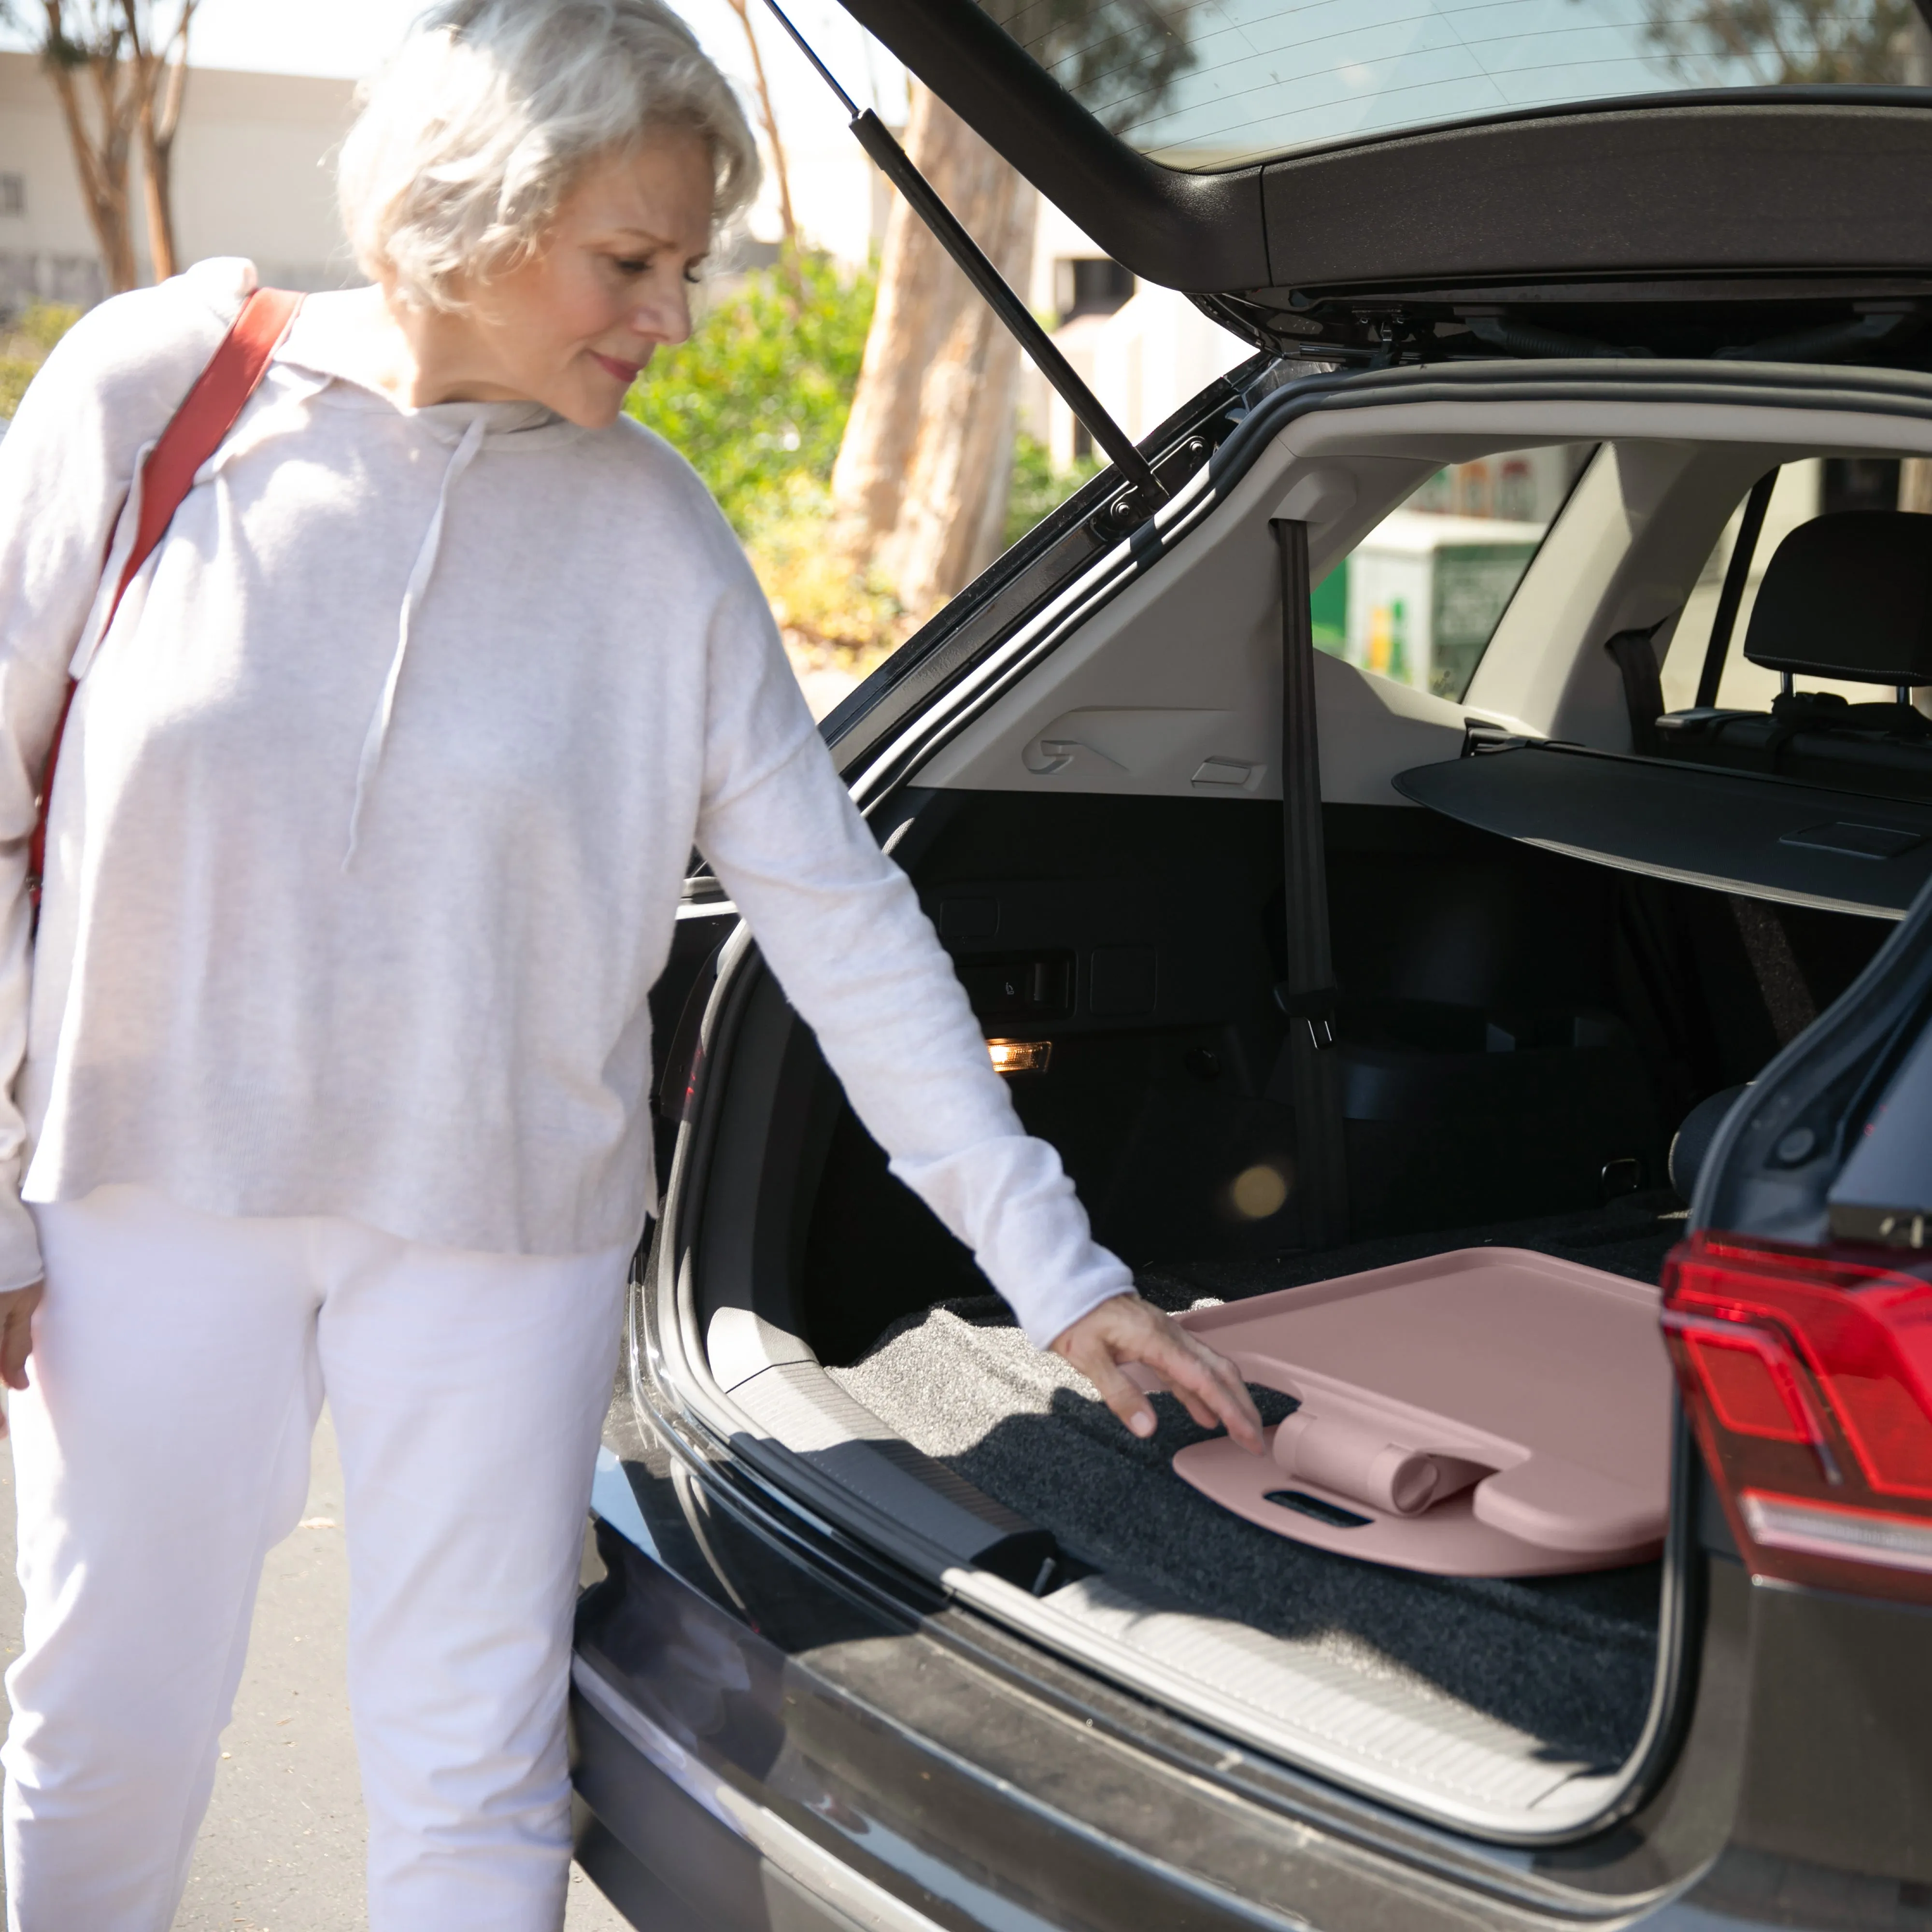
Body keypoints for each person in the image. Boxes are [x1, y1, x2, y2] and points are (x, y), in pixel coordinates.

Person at [0, 1, 1263, 1925]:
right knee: (103, 1727)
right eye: (630, 259)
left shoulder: (660, 539)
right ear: (459, 212)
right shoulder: (160, 392)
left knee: (471, 1752)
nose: (672, 314)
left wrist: (1058, 1271)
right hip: (146, 1189)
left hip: (502, 1231)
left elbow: (842, 919)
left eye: (687, 263)